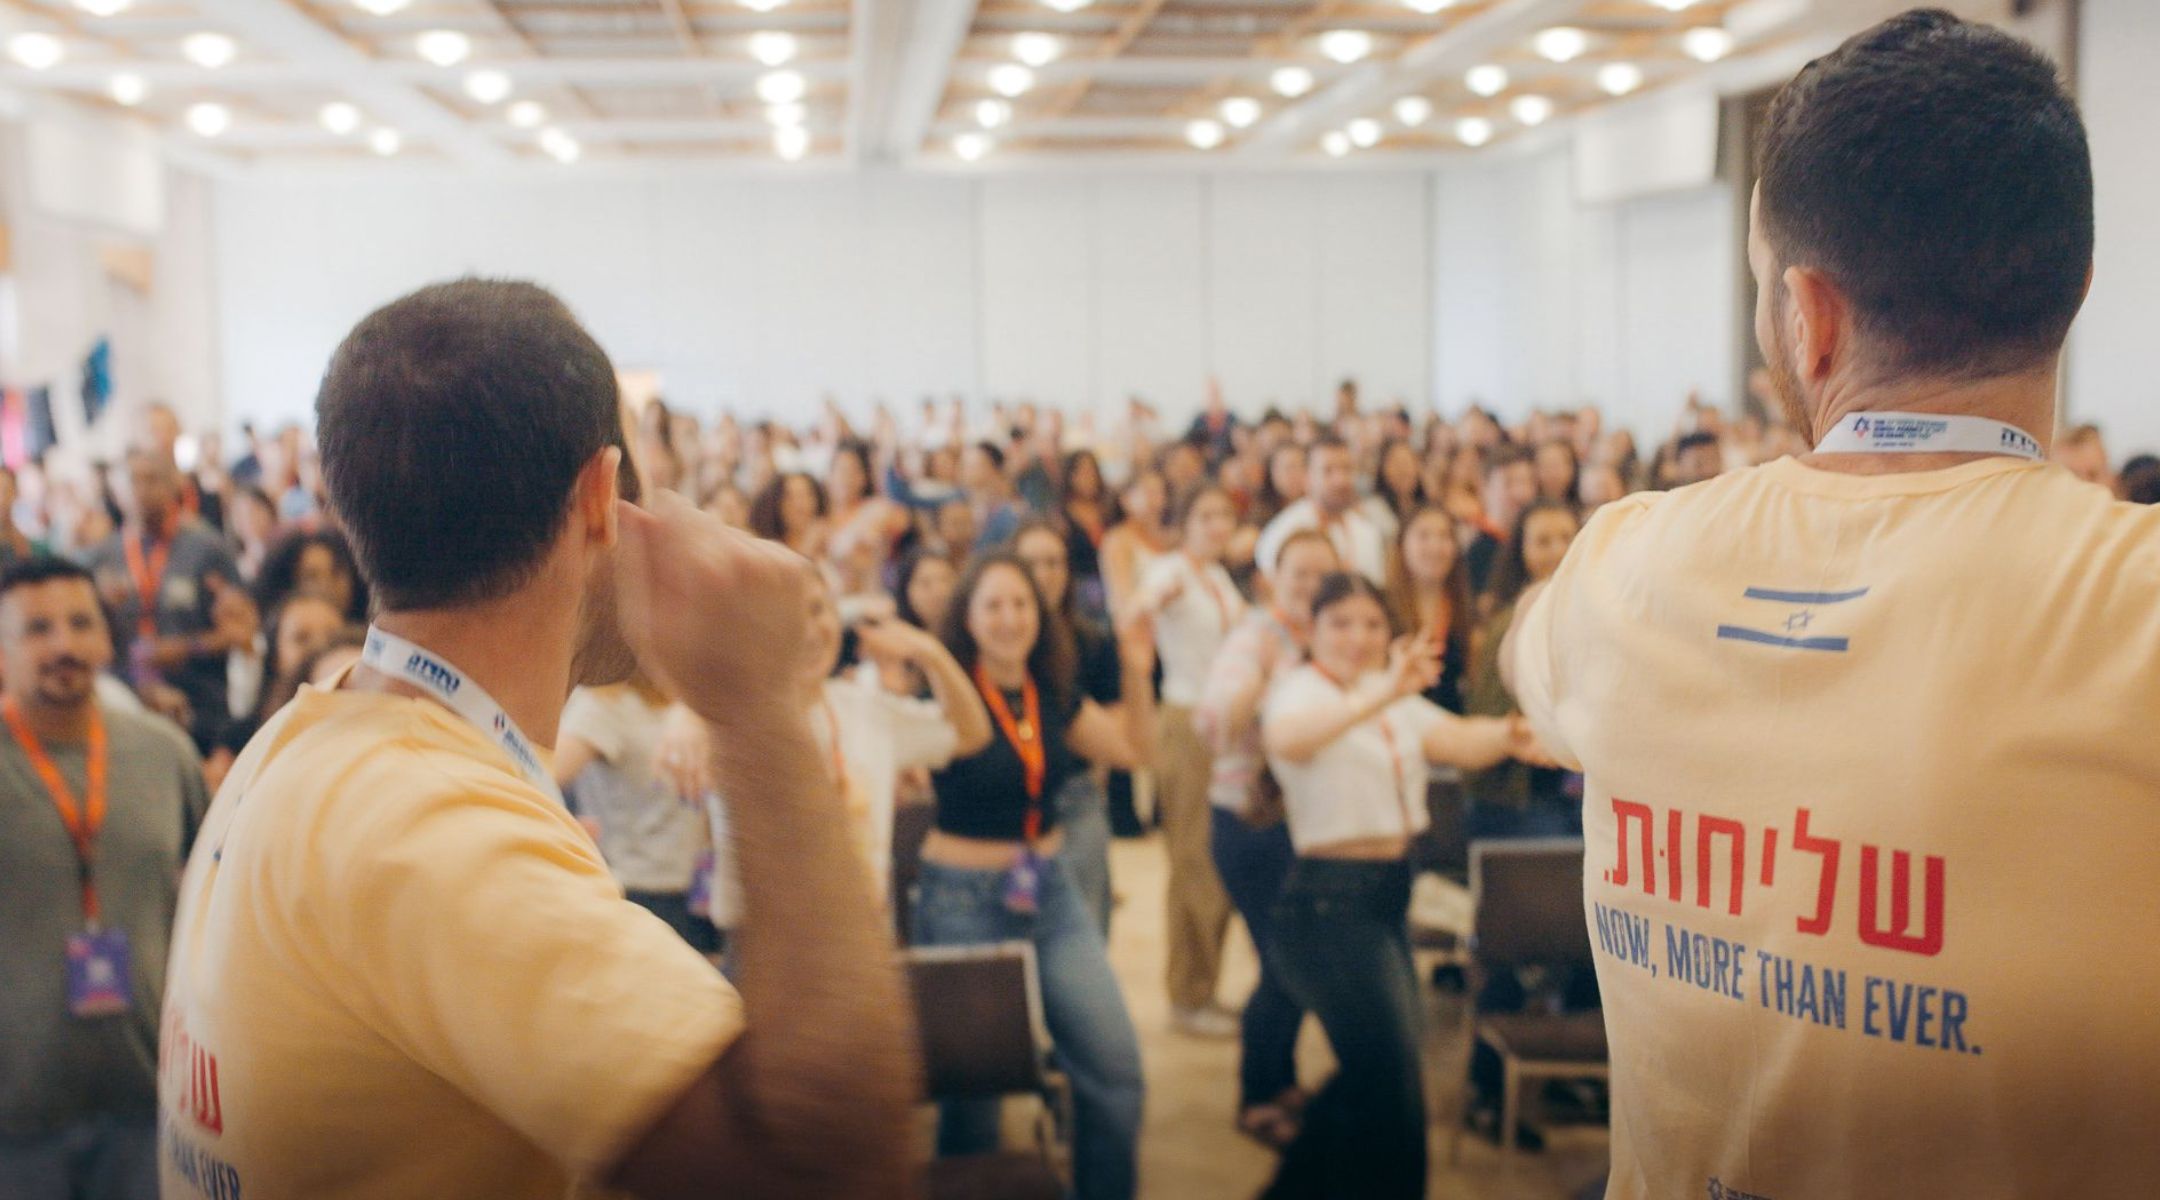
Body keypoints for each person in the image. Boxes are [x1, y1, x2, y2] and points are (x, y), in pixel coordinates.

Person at [1502, 13, 2160, 1196]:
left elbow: (1526, 663)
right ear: (2075, 292)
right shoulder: (2132, 605)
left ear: (1805, 317)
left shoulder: (1625, 569)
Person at [158, 279, 916, 1199]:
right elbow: (830, 1168)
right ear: (600, 495)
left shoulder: (307, 738)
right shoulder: (427, 827)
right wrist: (759, 705)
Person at [1260, 572, 1537, 1199]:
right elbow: (1289, 741)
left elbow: (1461, 741)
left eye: (1372, 624)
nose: (1358, 638)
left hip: (1386, 897)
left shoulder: (1394, 700)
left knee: (1376, 1072)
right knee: (1393, 1085)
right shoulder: (1300, 693)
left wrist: (1517, 734)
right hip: (1326, 907)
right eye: (1341, 624)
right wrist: (1385, 690)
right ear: (1311, 630)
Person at [918, 552, 1156, 1200]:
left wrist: (1136, 668)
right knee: (973, 1101)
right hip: (960, 901)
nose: (1009, 618)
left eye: (1021, 604)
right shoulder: (946, 692)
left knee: (1115, 1072)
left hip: (1049, 893)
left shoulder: (1049, 691)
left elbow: (1133, 749)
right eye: (992, 604)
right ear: (967, 617)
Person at [0, 557, 210, 1200]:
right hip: (16, 1128)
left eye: (80, 623)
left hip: (150, 1106)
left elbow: (210, 906)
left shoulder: (163, 752)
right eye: (37, 629)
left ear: (105, 639)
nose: (63, 644)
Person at [1193, 529, 1339, 1150]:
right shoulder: (1257, 636)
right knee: (1286, 960)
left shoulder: (1337, 636)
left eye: (1319, 575)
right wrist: (1263, 684)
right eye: (1297, 574)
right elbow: (1214, 720)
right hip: (1250, 824)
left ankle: (1278, 1081)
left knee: (1295, 959)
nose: (1308, 587)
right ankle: (1257, 1091)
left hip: (1311, 826)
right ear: (1271, 580)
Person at [1132, 482, 1245, 1036]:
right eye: (1205, 515)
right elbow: (1136, 609)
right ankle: (1187, 995)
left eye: (1224, 514)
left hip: (1223, 724)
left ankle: (1203, 987)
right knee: (1193, 860)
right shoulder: (1169, 570)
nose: (1218, 525)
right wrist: (1153, 602)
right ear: (1183, 523)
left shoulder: (1219, 577)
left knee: (1216, 859)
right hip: (1185, 723)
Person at [83, 450, 258, 752]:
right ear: (115, 490)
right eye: (131, 481)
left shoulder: (207, 549)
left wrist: (187, 647)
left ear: (174, 486)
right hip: (125, 706)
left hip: (201, 706)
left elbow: (245, 633)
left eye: (151, 480)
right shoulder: (99, 558)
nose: (141, 490)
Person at [554, 673, 718, 952]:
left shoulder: (692, 700)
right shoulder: (604, 703)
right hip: (639, 893)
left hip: (699, 892)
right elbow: (534, 778)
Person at [1014, 519, 1121, 934]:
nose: (1045, 574)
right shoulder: (995, 640)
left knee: (1086, 922)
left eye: (1055, 563)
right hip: (1014, 804)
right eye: (1033, 563)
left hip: (1076, 794)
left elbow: (1114, 730)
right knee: (1025, 921)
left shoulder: (1092, 640)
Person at [1465, 499, 1580, 835]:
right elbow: (1489, 711)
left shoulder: (1597, 610)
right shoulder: (1507, 621)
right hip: (1521, 792)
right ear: (1521, 551)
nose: (1558, 550)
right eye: (1543, 541)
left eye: (1567, 537)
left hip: (1577, 788)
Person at [1254, 437, 1388, 583]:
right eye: (1327, 470)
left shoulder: (1366, 531)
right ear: (1307, 477)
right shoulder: (1283, 532)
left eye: (1347, 469)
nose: (1340, 480)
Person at [1383, 504, 1474, 716]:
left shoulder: (1463, 609)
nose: (1436, 546)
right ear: (1402, 544)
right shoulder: (1381, 608)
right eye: (1423, 536)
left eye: (1445, 537)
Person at [1099, 467, 1171, 618]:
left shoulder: (1167, 539)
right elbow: (1123, 602)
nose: (1158, 501)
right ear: (1125, 499)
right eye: (1149, 493)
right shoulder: (1118, 540)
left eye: (1161, 493)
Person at [1059, 449, 1115, 622]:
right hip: (1081, 586)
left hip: (1112, 580)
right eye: (1081, 472)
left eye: (1092, 471)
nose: (1087, 477)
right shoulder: (1061, 515)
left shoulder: (1110, 508)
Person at [746, 470, 828, 559]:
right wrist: (808, 548)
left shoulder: (828, 543)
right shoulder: (767, 549)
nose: (799, 504)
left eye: (807, 495)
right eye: (790, 497)